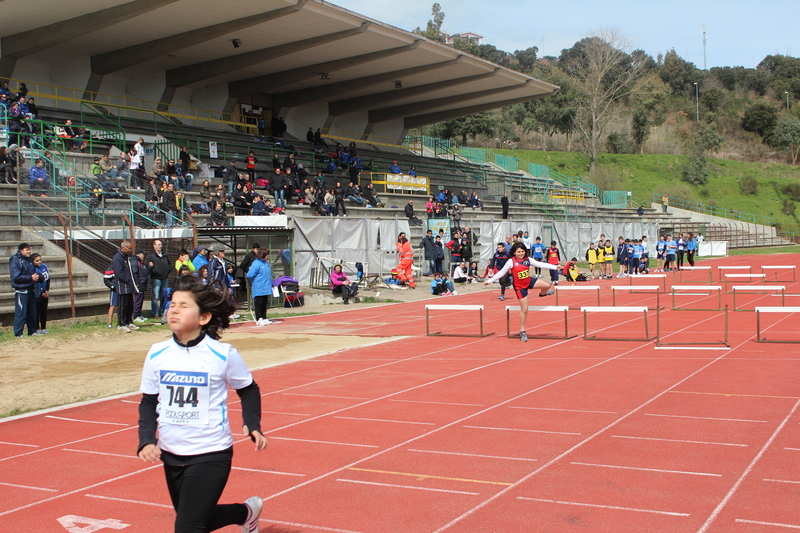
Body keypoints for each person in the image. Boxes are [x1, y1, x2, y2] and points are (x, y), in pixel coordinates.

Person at [137, 275, 266, 533]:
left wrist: (252, 423)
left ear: (203, 318)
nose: (174, 309)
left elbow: (249, 389)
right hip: (171, 453)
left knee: (187, 527)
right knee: (198, 519)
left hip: (211, 452)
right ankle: (246, 512)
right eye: (172, 303)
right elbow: (149, 401)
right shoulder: (156, 353)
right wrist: (146, 439)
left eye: (184, 305)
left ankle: (245, 513)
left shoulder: (222, 353)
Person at [485, 242, 558, 342]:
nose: (521, 253)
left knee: (547, 285)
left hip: (529, 281)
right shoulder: (511, 261)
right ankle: (522, 331)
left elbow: (540, 264)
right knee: (525, 309)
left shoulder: (528, 260)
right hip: (520, 287)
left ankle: (542, 294)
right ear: (514, 252)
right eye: (519, 252)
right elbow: (502, 272)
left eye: (523, 251)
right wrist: (490, 281)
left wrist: (554, 267)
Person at [10, 243, 40, 337]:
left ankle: (32, 331)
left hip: (31, 289)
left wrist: (37, 277)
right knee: (21, 313)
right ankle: (18, 333)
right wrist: (30, 278)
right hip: (22, 290)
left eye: (29, 249)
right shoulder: (15, 260)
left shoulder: (29, 260)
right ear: (21, 250)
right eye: (26, 250)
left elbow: (34, 273)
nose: (29, 251)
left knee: (32, 312)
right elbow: (16, 277)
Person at [112, 240, 140, 333]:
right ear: (123, 248)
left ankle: (129, 321)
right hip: (122, 285)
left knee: (129, 304)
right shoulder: (118, 258)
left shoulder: (126, 257)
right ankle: (121, 324)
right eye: (129, 248)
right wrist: (127, 280)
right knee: (123, 305)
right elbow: (119, 273)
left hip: (129, 285)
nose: (130, 251)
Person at [247, 248, 273, 326]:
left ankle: (264, 317)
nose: (268, 256)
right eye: (267, 255)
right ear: (263, 255)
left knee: (264, 303)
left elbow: (268, 276)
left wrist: (271, 284)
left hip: (266, 287)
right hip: (258, 287)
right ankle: (259, 318)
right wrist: (255, 282)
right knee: (259, 303)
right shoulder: (256, 263)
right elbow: (250, 275)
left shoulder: (266, 264)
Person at [145, 240, 170, 319]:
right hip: (156, 278)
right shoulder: (151, 256)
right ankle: (155, 313)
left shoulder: (165, 255)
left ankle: (163, 312)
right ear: (154, 246)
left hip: (164, 278)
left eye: (161, 244)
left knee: (164, 296)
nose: (160, 246)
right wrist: (154, 270)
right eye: (158, 244)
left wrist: (167, 272)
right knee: (155, 296)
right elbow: (147, 266)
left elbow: (169, 265)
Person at [32, 253, 50, 334]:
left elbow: (48, 279)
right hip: (37, 293)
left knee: (43, 311)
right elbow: (35, 283)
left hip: (45, 292)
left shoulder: (44, 266)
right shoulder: (32, 269)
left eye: (40, 260)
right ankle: (36, 329)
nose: (39, 262)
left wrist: (47, 291)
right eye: (37, 260)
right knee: (36, 311)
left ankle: (43, 328)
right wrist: (41, 292)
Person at [132, 250, 149, 323]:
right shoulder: (135, 262)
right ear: (138, 254)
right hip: (139, 284)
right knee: (137, 300)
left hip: (142, 284)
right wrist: (137, 283)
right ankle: (136, 315)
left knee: (141, 300)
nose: (143, 256)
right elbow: (135, 273)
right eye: (142, 254)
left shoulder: (140, 263)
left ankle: (139, 314)